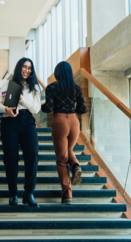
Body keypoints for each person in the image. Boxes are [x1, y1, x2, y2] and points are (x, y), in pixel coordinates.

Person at [41, 61, 88, 204]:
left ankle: (67, 194)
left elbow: (48, 108)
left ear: (57, 73)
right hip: (74, 122)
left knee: (61, 160)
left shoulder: (51, 87)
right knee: (69, 149)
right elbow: (82, 109)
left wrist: (41, 106)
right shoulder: (77, 88)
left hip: (60, 121)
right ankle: (76, 166)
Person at [0, 58, 41, 207]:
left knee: (33, 155)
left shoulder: (34, 87)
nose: (27, 70)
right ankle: (13, 193)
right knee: (10, 158)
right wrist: (6, 110)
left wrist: (21, 99)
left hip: (28, 121)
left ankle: (29, 193)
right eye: (24, 67)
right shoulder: (5, 84)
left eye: (30, 68)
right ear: (19, 67)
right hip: (9, 121)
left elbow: (36, 109)